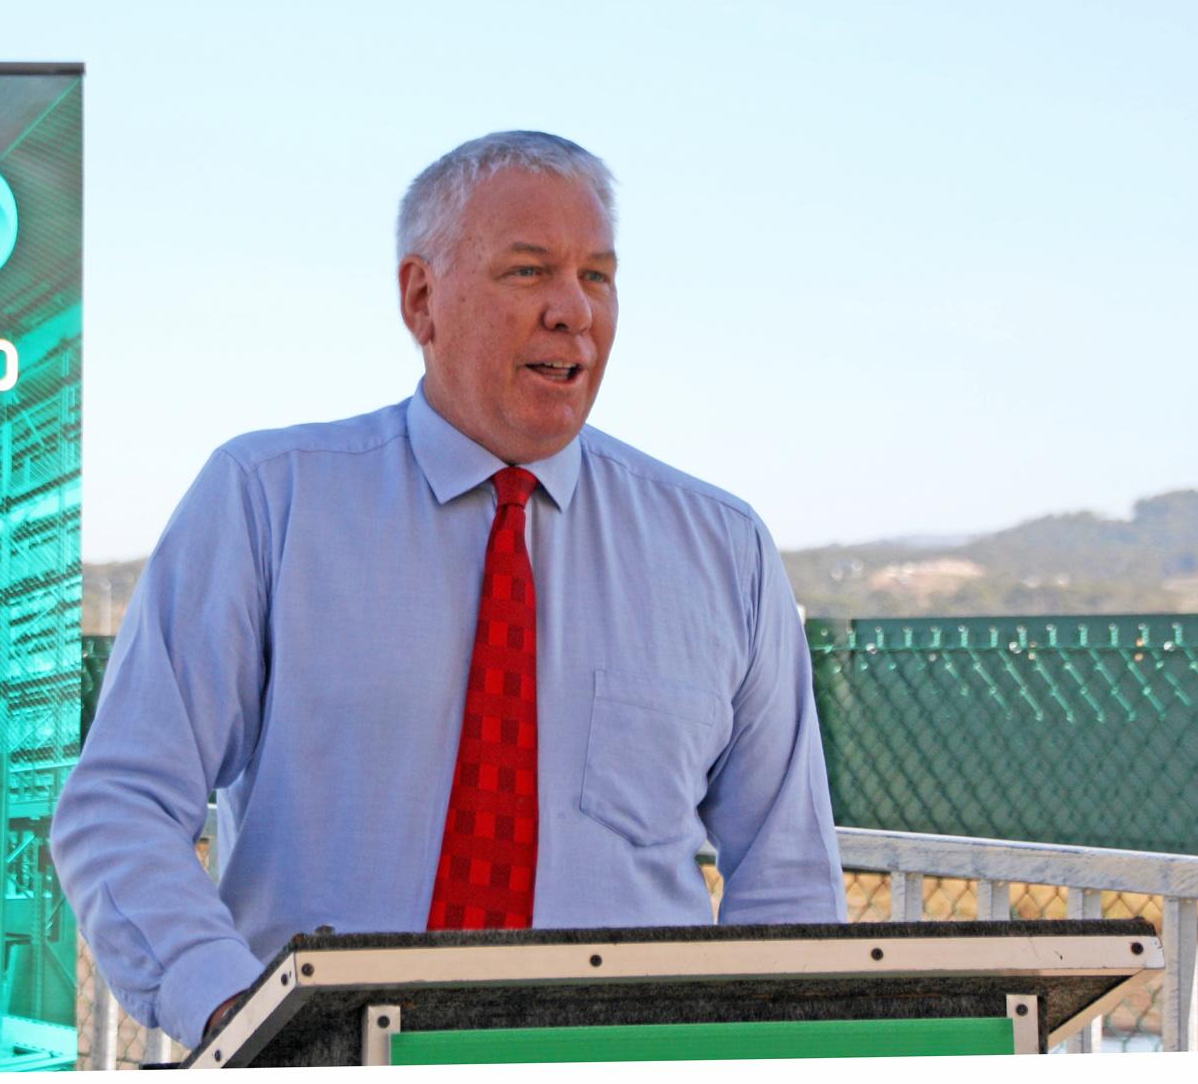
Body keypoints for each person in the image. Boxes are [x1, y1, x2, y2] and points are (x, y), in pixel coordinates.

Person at [51, 131, 846, 1051]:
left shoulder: (723, 550)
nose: (572, 311)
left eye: (598, 275)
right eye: (528, 271)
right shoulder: (269, 501)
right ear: (420, 299)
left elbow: (787, 885)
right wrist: (240, 1018)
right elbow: (121, 802)